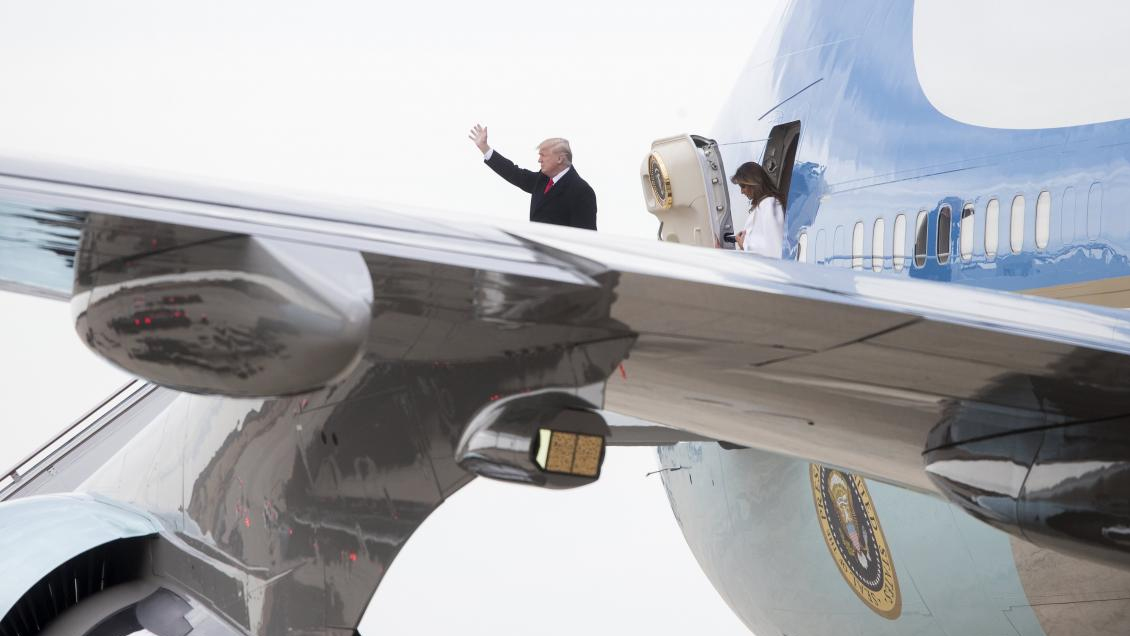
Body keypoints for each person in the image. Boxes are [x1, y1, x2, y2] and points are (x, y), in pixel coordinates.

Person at [468, 124, 597, 230]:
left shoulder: (581, 191)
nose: (539, 160)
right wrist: (485, 148)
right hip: (536, 254)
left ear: (560, 158)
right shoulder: (542, 179)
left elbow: (586, 238)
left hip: (558, 259)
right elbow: (514, 173)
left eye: (543, 155)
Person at [731, 161, 785, 258]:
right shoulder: (763, 205)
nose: (742, 191)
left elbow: (774, 247)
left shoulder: (769, 204)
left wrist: (744, 243)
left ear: (754, 184)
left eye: (743, 186)